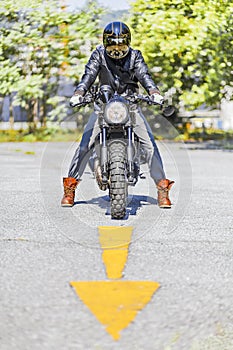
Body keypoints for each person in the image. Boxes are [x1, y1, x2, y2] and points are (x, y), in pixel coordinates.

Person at [61, 21, 174, 209]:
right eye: (113, 44)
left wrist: (153, 92)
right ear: (106, 43)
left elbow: (144, 75)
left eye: (121, 44)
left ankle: (162, 188)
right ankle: (70, 188)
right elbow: (88, 75)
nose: (117, 48)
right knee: (84, 146)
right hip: (103, 105)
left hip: (130, 106)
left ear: (128, 42)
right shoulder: (98, 54)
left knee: (150, 144)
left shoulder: (135, 56)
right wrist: (79, 93)